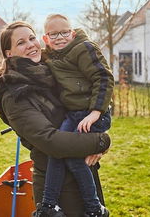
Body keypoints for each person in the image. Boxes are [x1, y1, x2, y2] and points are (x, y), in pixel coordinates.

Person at [0, 21, 111, 217]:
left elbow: (86, 99)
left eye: (31, 38)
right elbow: (51, 141)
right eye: (20, 42)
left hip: (84, 175)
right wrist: (101, 141)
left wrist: (97, 128)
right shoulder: (13, 94)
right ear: (8, 53)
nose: (30, 44)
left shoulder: (52, 73)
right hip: (58, 189)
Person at [39, 14, 113, 217]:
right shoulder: (50, 56)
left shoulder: (84, 48)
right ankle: (48, 204)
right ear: (46, 38)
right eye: (53, 34)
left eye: (64, 32)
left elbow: (104, 77)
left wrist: (95, 112)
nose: (59, 37)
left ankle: (94, 208)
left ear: (72, 33)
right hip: (73, 115)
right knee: (57, 149)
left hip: (93, 114)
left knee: (73, 160)